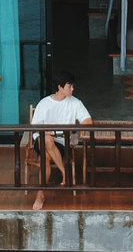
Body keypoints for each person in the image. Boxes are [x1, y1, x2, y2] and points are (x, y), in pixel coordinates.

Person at [30, 71, 93, 210]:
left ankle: (40, 195)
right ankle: (65, 173)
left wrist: (73, 129)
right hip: (41, 140)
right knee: (45, 138)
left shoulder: (75, 103)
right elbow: (35, 126)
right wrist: (48, 132)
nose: (72, 89)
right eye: (69, 86)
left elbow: (88, 121)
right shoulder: (44, 103)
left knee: (45, 158)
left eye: (72, 86)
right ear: (60, 87)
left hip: (61, 143)